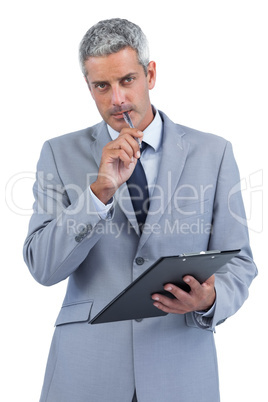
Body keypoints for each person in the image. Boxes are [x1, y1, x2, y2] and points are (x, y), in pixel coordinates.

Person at [23, 18, 257, 402]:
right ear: (89, 87)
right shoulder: (58, 153)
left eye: (127, 80)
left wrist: (210, 300)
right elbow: (42, 267)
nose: (116, 99)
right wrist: (98, 194)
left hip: (181, 369)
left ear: (150, 74)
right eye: (102, 86)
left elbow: (240, 262)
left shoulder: (213, 153)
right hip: (86, 371)